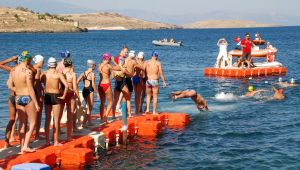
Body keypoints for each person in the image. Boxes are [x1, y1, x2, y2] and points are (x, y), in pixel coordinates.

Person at [7, 51, 39, 153]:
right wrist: (36, 103)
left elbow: (9, 85)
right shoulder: (27, 72)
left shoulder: (13, 70)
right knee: (33, 122)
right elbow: (30, 89)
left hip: (18, 98)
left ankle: (21, 148)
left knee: (22, 124)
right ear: (28, 59)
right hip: (27, 97)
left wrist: (17, 90)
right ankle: (25, 146)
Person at [41, 57, 68, 146]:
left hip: (47, 96)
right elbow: (67, 86)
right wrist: (63, 95)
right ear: (55, 65)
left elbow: (38, 83)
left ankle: (47, 141)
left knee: (47, 119)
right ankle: (56, 141)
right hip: (56, 96)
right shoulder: (58, 74)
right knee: (56, 120)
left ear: (48, 65)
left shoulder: (44, 73)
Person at [1, 55, 19, 148]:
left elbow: (0, 64)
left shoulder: (12, 70)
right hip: (19, 97)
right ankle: (23, 143)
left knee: (11, 120)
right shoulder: (25, 70)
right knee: (23, 119)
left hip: (11, 97)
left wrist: (11, 59)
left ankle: (7, 143)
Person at [98, 53, 121, 122]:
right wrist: (113, 60)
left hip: (100, 84)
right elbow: (119, 68)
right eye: (109, 58)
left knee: (102, 102)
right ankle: (105, 117)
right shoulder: (108, 66)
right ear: (108, 58)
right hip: (106, 84)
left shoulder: (99, 65)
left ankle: (101, 118)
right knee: (110, 102)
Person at [62, 57, 80, 141]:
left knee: (57, 116)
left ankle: (54, 136)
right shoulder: (73, 74)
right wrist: (79, 99)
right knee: (70, 115)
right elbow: (75, 88)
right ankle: (68, 137)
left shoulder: (61, 72)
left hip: (62, 94)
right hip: (70, 94)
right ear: (71, 64)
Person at [77, 59, 98, 126]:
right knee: (90, 107)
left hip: (84, 90)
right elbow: (93, 84)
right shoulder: (92, 74)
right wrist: (97, 93)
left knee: (87, 106)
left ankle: (89, 121)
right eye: (95, 65)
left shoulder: (83, 73)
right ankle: (84, 123)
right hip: (90, 90)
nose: (95, 67)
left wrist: (75, 89)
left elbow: (77, 81)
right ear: (92, 66)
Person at [32, 55, 44, 140]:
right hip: (36, 94)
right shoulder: (38, 70)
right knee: (38, 116)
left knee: (31, 116)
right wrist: (40, 96)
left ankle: (32, 133)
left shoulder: (30, 68)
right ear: (39, 62)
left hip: (30, 94)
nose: (43, 63)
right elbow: (37, 84)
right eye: (42, 62)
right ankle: (37, 135)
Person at [114, 46, 129, 112]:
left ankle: (118, 105)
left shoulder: (123, 58)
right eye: (125, 52)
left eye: (127, 52)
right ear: (122, 51)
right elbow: (117, 67)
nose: (126, 53)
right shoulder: (118, 58)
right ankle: (117, 106)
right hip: (119, 78)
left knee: (122, 93)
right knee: (123, 93)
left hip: (122, 77)